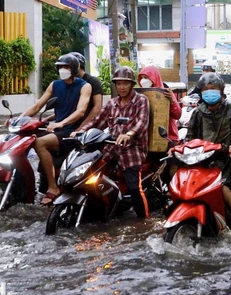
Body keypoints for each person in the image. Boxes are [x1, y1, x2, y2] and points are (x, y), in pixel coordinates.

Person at [70, 66, 150, 219]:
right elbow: (97, 121)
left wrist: (129, 134)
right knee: (87, 174)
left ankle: (143, 220)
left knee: (134, 188)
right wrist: (80, 131)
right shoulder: (112, 103)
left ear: (132, 84)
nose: (121, 87)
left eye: (125, 83)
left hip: (132, 150)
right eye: (118, 84)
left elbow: (142, 122)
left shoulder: (141, 101)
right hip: (111, 147)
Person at [186, 73, 231, 238]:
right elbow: (189, 138)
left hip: (229, 160)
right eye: (206, 90)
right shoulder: (198, 112)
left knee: (222, 188)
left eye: (213, 89)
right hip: (205, 159)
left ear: (221, 90)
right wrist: (178, 149)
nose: (209, 92)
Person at [20, 53, 92, 205]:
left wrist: (62, 123)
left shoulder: (85, 86)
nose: (62, 70)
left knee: (39, 143)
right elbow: (38, 106)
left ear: (73, 69)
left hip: (70, 130)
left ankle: (53, 188)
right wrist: (19, 119)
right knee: (25, 137)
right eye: (60, 67)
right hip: (55, 127)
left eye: (66, 67)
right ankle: (21, 180)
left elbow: (80, 110)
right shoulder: (55, 84)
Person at [137, 65, 182, 146]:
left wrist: (172, 101)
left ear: (155, 78)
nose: (143, 80)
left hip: (167, 137)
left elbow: (177, 115)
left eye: (146, 77)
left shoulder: (166, 93)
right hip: (147, 138)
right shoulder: (139, 95)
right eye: (142, 78)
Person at [69, 52, 103, 131]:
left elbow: (97, 107)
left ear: (78, 66)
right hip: (69, 124)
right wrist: (47, 119)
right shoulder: (68, 82)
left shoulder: (93, 82)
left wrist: (81, 128)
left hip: (87, 126)